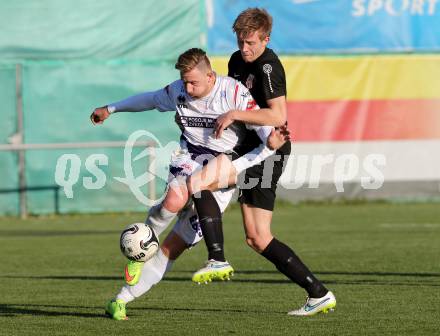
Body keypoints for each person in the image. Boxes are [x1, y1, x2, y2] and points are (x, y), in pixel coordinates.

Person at [91, 48, 287, 320]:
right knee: (173, 200)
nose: (187, 87)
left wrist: (271, 139)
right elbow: (148, 99)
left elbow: (263, 123)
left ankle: (121, 299)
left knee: (171, 249)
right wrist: (111, 108)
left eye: (193, 82)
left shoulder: (233, 92)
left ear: (210, 76)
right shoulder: (179, 90)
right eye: (184, 81)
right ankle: (143, 247)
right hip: (190, 158)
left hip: (220, 166)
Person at [188, 8, 336, 316]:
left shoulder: (269, 66)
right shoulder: (235, 60)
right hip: (251, 148)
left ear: (266, 39)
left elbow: (277, 116)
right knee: (257, 238)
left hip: (269, 151)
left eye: (251, 42)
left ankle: (216, 257)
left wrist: (233, 115)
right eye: (241, 41)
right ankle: (318, 294)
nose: (245, 48)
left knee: (198, 182)